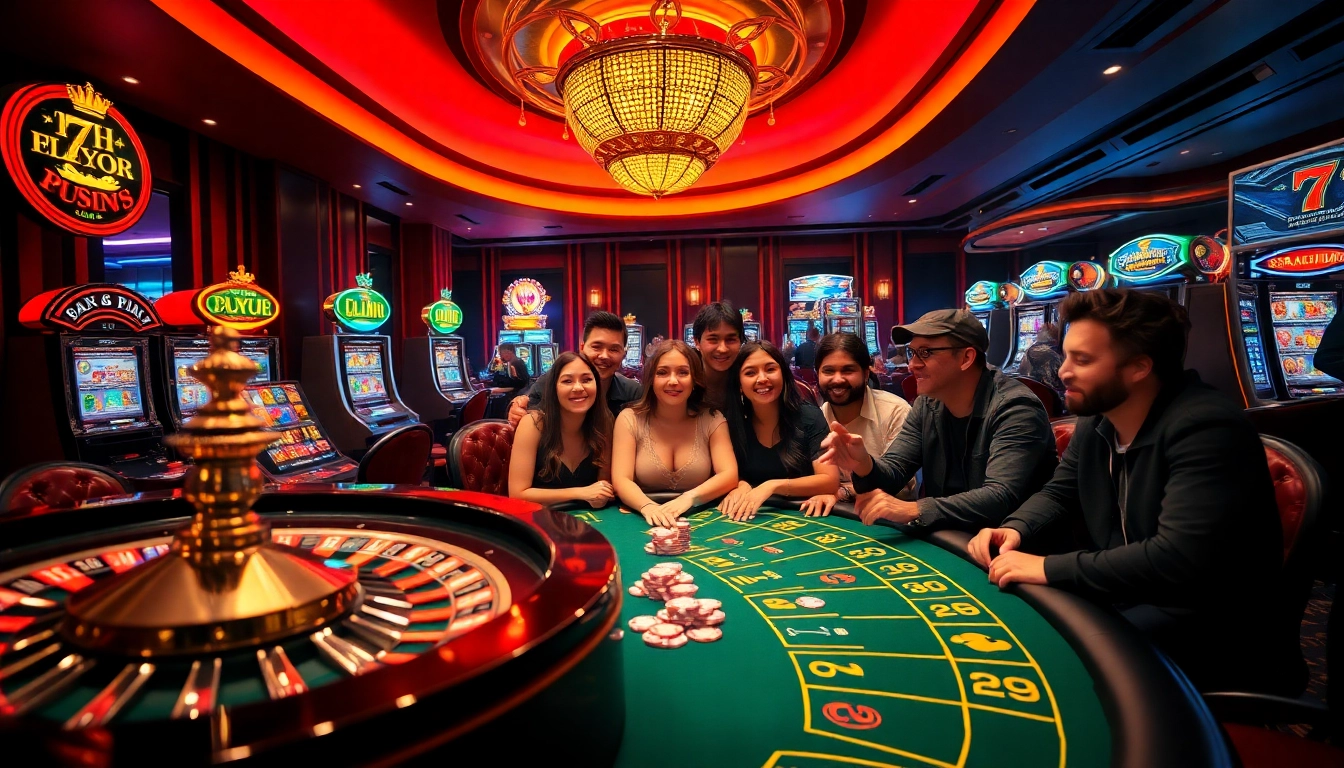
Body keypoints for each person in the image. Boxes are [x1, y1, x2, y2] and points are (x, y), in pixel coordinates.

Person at [968, 288, 1304, 694]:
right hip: (1128, 598)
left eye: (1083, 360)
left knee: (1046, 666)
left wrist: (1046, 568)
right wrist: (1016, 528)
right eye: (1067, 355)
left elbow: (1176, 559)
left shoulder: (1207, 429)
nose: (1062, 372)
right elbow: (1059, 493)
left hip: (1209, 630)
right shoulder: (1100, 421)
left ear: (1139, 367)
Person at [819, 309, 1057, 532]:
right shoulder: (927, 405)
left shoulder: (1015, 408)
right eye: (912, 353)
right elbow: (894, 471)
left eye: (925, 352)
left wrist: (915, 509)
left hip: (1014, 550)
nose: (912, 364)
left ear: (966, 357)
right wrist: (863, 464)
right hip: (950, 537)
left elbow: (1000, 496)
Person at [611, 339, 738, 528]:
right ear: (651, 379)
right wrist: (647, 507)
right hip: (641, 519)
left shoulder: (712, 419)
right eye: (662, 373)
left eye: (683, 372)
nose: (673, 381)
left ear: (694, 379)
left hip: (703, 521)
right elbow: (621, 479)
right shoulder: (629, 419)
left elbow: (729, 475)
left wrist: (688, 498)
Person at [719, 341, 839, 521]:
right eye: (750, 373)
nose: (762, 379)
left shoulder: (809, 417)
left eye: (770, 369)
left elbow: (829, 480)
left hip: (804, 517)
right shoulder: (733, 423)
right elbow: (726, 473)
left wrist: (772, 486)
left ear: (783, 374)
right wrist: (742, 484)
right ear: (739, 384)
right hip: (751, 518)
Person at [800, 333, 911, 517]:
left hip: (888, 520)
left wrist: (843, 492)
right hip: (834, 516)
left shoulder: (895, 411)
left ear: (866, 373)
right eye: (828, 371)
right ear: (817, 374)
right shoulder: (815, 419)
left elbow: (904, 487)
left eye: (848, 370)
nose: (837, 379)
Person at [508, 352, 615, 507]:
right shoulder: (533, 424)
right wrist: (581, 493)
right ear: (554, 388)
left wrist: (601, 495)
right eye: (567, 381)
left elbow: (602, 485)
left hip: (586, 520)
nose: (578, 387)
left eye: (587, 380)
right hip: (538, 521)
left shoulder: (604, 422)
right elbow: (518, 494)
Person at [507, 311, 641, 425]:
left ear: (624, 354)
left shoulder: (633, 394)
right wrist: (516, 408)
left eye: (613, 349)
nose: (604, 356)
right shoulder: (551, 382)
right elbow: (525, 405)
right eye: (596, 347)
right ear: (582, 348)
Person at [692, 301, 745, 401]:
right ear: (697, 342)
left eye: (730, 339)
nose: (722, 349)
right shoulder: (684, 384)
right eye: (713, 339)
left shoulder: (747, 382)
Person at [1019, 322, 1064, 394]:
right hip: (1047, 398)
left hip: (1029, 395)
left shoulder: (1031, 350)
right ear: (1056, 340)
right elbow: (1060, 385)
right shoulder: (1052, 354)